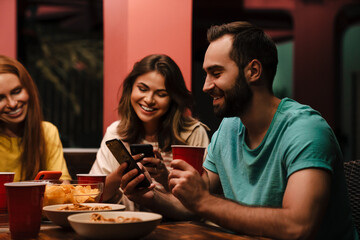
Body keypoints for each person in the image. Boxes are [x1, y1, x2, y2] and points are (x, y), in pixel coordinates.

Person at [119, 22, 358, 239]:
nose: (205, 86)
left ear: (253, 71)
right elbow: (190, 205)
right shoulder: (229, 128)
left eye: (216, 73)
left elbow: (298, 227)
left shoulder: (305, 130)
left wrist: (202, 201)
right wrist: (152, 197)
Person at [90, 54, 209, 209]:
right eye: (142, 89)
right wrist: (124, 172)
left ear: (173, 98)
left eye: (161, 94)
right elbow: (94, 194)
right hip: (127, 222)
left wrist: (164, 176)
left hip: (178, 226)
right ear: (131, 88)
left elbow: (200, 197)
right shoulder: (116, 132)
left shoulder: (192, 133)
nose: (149, 99)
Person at [0, 55, 71, 182]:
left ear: (29, 89)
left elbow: (63, 186)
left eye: (16, 91)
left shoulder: (46, 132)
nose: (12, 104)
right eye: (0, 98)